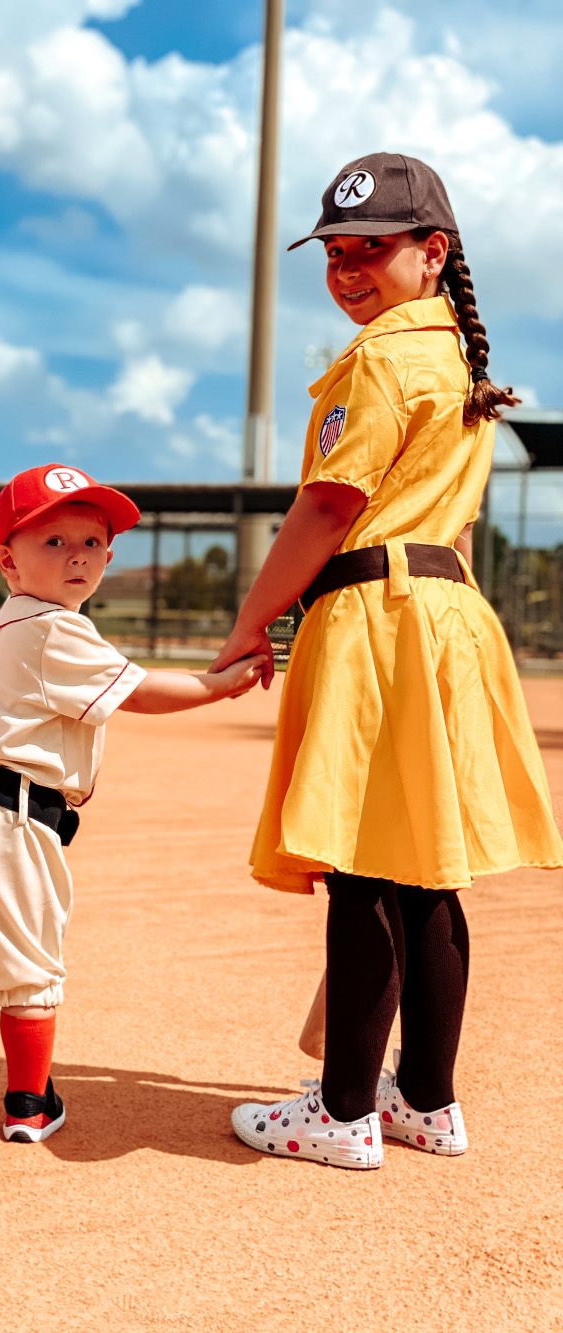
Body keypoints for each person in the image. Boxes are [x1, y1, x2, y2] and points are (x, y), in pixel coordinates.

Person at [213, 153, 563, 1169]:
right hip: (446, 614)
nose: (348, 267)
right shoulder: (456, 361)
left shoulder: (374, 361)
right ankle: (427, 1100)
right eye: (334, 251)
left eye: (371, 247)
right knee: (426, 873)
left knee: (365, 864)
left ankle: (340, 1110)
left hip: (375, 612)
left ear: (432, 252)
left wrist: (251, 619)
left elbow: (326, 507)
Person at [0, 464, 267, 1143]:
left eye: (91, 541)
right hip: (14, 820)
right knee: (28, 962)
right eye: (52, 542)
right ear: (7, 559)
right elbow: (138, 691)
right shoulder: (58, 629)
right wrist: (217, 685)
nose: (77, 554)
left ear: (110, 556)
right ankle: (28, 1102)